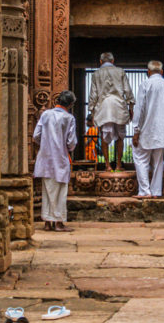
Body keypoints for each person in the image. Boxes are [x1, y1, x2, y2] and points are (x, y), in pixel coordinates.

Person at [33, 90, 77, 231]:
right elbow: (71, 142)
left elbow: (36, 136)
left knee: (47, 190)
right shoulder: (69, 118)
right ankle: (58, 222)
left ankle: (47, 221)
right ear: (70, 104)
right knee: (60, 191)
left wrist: (46, 144)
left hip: (45, 158)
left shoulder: (45, 114)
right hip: (60, 158)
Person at [132, 61, 164, 199]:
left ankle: (145, 191)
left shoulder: (145, 85)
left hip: (146, 129)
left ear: (148, 72)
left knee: (140, 158)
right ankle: (156, 192)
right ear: (162, 72)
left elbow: (140, 109)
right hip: (162, 130)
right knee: (157, 162)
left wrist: (136, 130)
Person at [87, 52, 135, 170]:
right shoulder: (120, 71)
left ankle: (107, 165)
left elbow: (93, 94)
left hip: (104, 107)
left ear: (101, 62)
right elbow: (127, 90)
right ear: (113, 61)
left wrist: (92, 110)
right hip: (119, 106)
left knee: (104, 136)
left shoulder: (96, 74)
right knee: (120, 137)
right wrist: (131, 107)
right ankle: (118, 165)